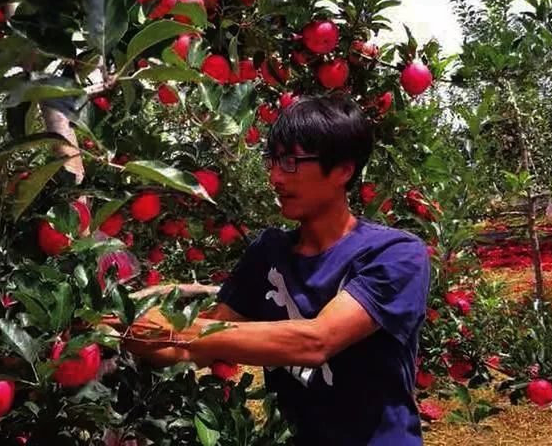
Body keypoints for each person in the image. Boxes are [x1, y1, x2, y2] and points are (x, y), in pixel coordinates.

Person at [122, 94, 431, 445]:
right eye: (273, 161)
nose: (275, 177)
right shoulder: (267, 253)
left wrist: (175, 330)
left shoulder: (396, 255)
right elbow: (198, 346)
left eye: (290, 162)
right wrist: (122, 328)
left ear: (344, 169)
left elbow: (317, 341)